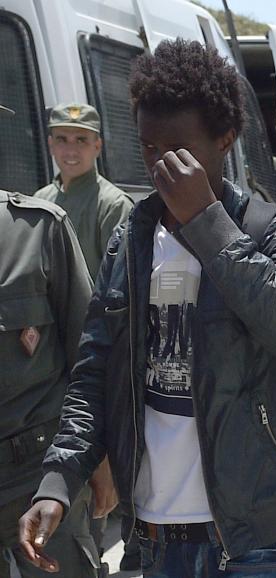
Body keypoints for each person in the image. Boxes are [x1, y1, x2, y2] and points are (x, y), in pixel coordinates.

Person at [19, 39, 276, 577]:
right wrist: (58, 481)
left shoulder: (273, 231)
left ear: (225, 138)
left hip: (255, 536)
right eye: (147, 148)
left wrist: (207, 224)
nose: (162, 165)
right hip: (160, 537)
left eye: (179, 151)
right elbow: (95, 376)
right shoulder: (132, 241)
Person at [0, 103, 108, 578]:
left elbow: (89, 354)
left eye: (80, 139)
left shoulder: (37, 228)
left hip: (35, 473)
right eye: (60, 138)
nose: (69, 148)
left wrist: (98, 461)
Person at [33, 103, 134, 279]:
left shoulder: (114, 205)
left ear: (97, 146)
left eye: (81, 140)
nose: (71, 151)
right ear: (50, 145)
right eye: (62, 139)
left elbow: (120, 284)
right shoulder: (39, 200)